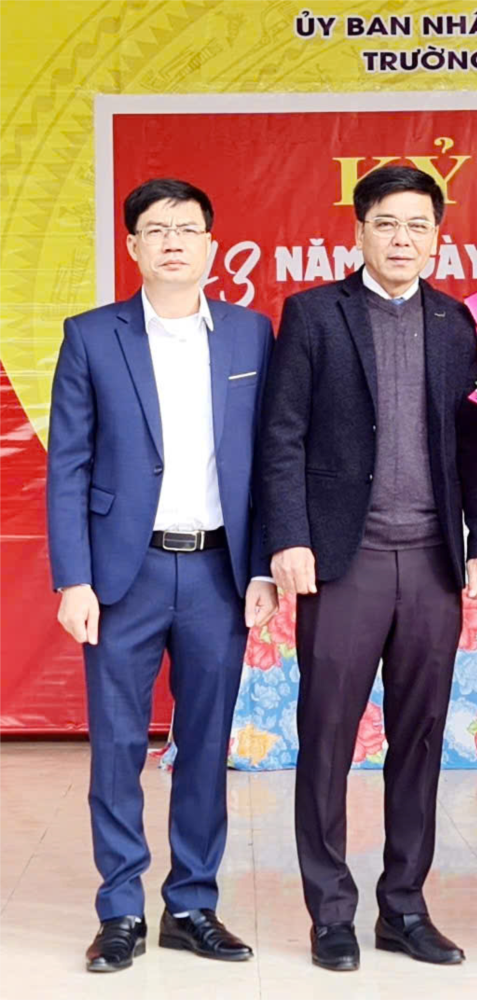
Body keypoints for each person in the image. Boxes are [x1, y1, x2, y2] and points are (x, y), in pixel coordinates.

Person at [259, 165, 477, 972]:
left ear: (438, 236)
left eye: (418, 226)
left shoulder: (454, 323)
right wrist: (289, 536)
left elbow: (474, 445)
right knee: (327, 735)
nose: (403, 239)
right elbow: (282, 435)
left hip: (432, 562)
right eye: (387, 224)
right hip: (345, 561)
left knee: (421, 739)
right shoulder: (313, 315)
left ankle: (403, 906)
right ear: (359, 230)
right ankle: (330, 911)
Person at [47, 178, 277, 972]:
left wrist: (264, 566)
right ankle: (120, 911)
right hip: (125, 573)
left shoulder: (251, 335)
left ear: (212, 245)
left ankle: (191, 904)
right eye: (156, 229)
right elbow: (68, 465)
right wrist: (73, 579)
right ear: (133, 247)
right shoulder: (91, 336)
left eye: (187, 228)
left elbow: (270, 461)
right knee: (116, 745)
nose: (173, 241)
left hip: (219, 571)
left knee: (205, 744)